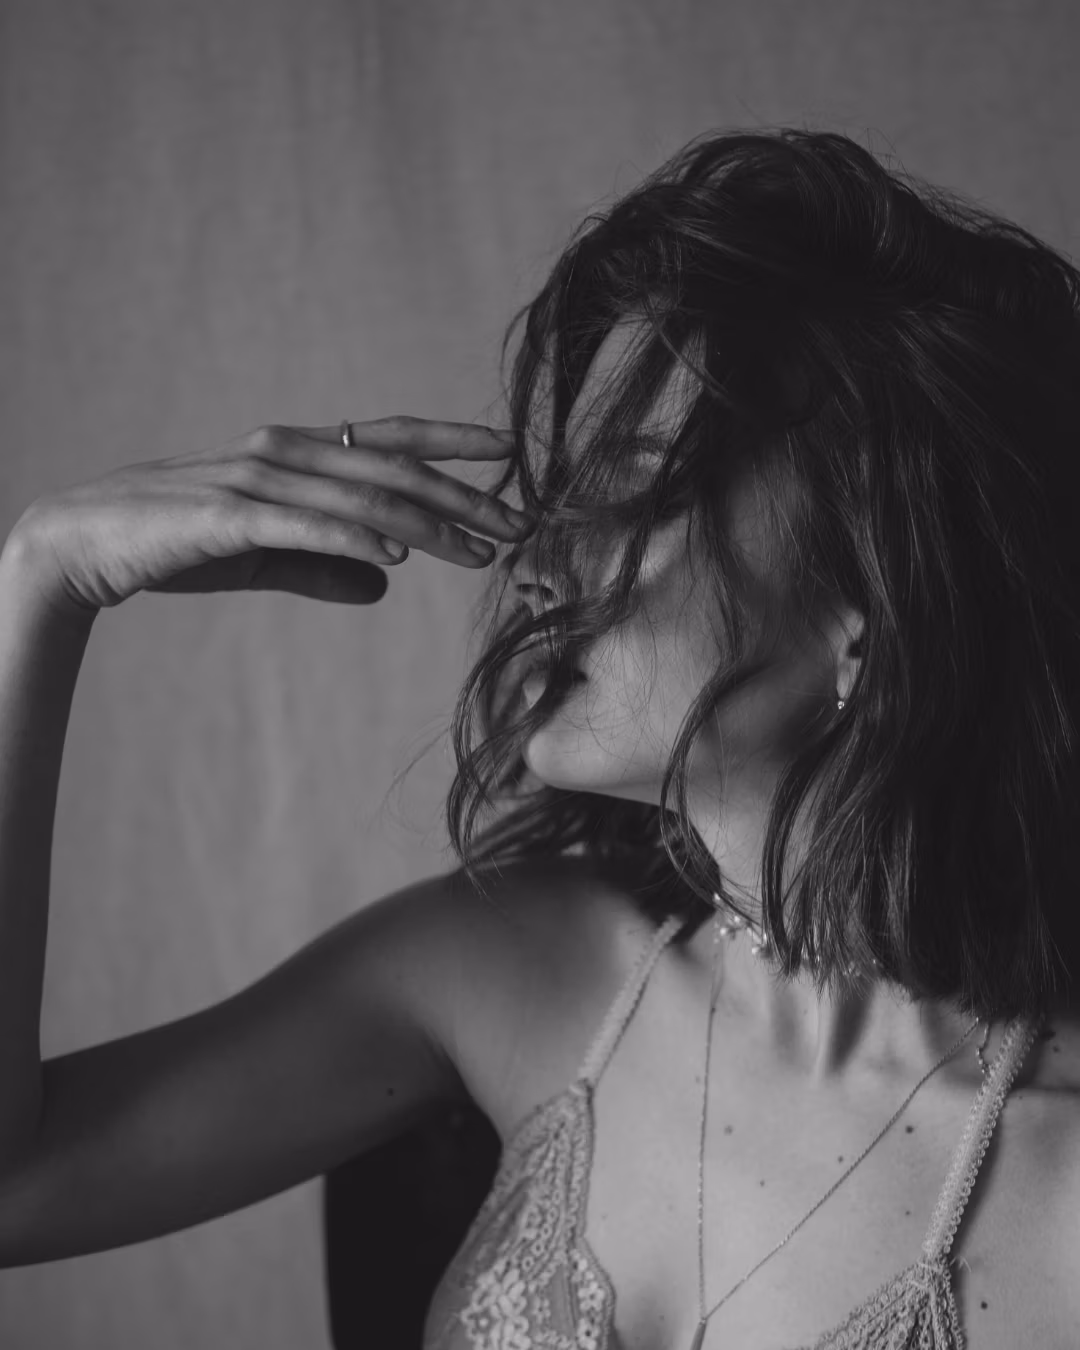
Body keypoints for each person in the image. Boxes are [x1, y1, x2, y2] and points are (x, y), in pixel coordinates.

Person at [0, 126, 1076, 1350]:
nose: (536, 561)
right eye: (566, 488)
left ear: (876, 610)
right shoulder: (514, 965)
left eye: (638, 488)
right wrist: (45, 583)